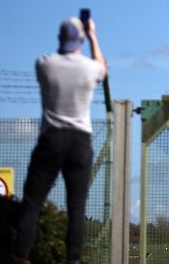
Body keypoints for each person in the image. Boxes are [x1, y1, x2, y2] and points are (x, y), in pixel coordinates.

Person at [14, 16, 106, 264]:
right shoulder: (89, 68)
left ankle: (22, 255)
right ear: (81, 39)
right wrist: (94, 35)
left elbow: (55, 58)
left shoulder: (44, 64)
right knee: (76, 208)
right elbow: (102, 68)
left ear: (59, 38)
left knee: (33, 202)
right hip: (80, 140)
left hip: (51, 138)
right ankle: (72, 259)